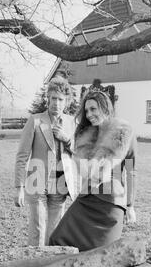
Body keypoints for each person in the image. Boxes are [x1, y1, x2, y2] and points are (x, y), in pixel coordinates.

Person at [49, 90, 137, 251]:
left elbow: (130, 171)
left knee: (99, 254)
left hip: (111, 204)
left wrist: (130, 206)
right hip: (86, 200)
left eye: (93, 109)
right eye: (87, 110)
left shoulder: (124, 132)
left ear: (105, 107)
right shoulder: (86, 135)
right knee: (57, 239)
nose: (89, 114)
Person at [14, 76, 77, 246]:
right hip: (37, 182)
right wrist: (19, 188)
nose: (56, 103)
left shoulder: (72, 123)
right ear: (48, 98)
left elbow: (80, 153)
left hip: (61, 184)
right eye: (54, 98)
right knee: (38, 229)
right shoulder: (35, 121)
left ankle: (48, 266)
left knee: (55, 231)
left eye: (60, 99)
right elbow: (22, 156)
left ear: (66, 102)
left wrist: (67, 139)